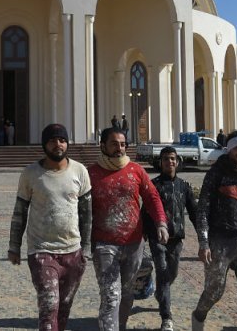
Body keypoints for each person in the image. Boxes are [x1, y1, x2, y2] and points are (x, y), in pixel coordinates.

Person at [9, 123, 92, 331]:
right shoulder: (30, 174)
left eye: (62, 140)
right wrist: (14, 246)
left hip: (73, 251)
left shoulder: (80, 171)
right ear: (44, 144)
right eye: (53, 140)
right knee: (49, 307)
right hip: (42, 250)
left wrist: (86, 249)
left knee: (63, 308)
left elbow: (86, 214)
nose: (58, 144)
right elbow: (20, 211)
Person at [89, 126, 168, 331]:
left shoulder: (136, 170)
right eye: (114, 144)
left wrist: (160, 222)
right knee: (110, 295)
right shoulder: (91, 173)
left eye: (123, 144)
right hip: (104, 244)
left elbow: (151, 197)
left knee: (126, 294)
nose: (119, 148)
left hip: (134, 244)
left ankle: (120, 325)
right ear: (103, 145)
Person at [192, 131, 237, 331]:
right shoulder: (216, 173)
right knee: (214, 290)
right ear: (230, 149)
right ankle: (198, 316)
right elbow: (203, 208)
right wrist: (204, 243)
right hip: (220, 241)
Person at [142, 146, 197, 331]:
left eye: (173, 158)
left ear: (177, 161)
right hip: (157, 238)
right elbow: (146, 211)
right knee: (164, 274)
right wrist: (143, 233)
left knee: (171, 274)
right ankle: (166, 318)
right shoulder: (154, 185)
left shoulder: (184, 186)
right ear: (161, 162)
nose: (170, 162)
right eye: (166, 159)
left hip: (176, 239)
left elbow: (194, 212)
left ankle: (160, 293)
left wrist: (203, 236)